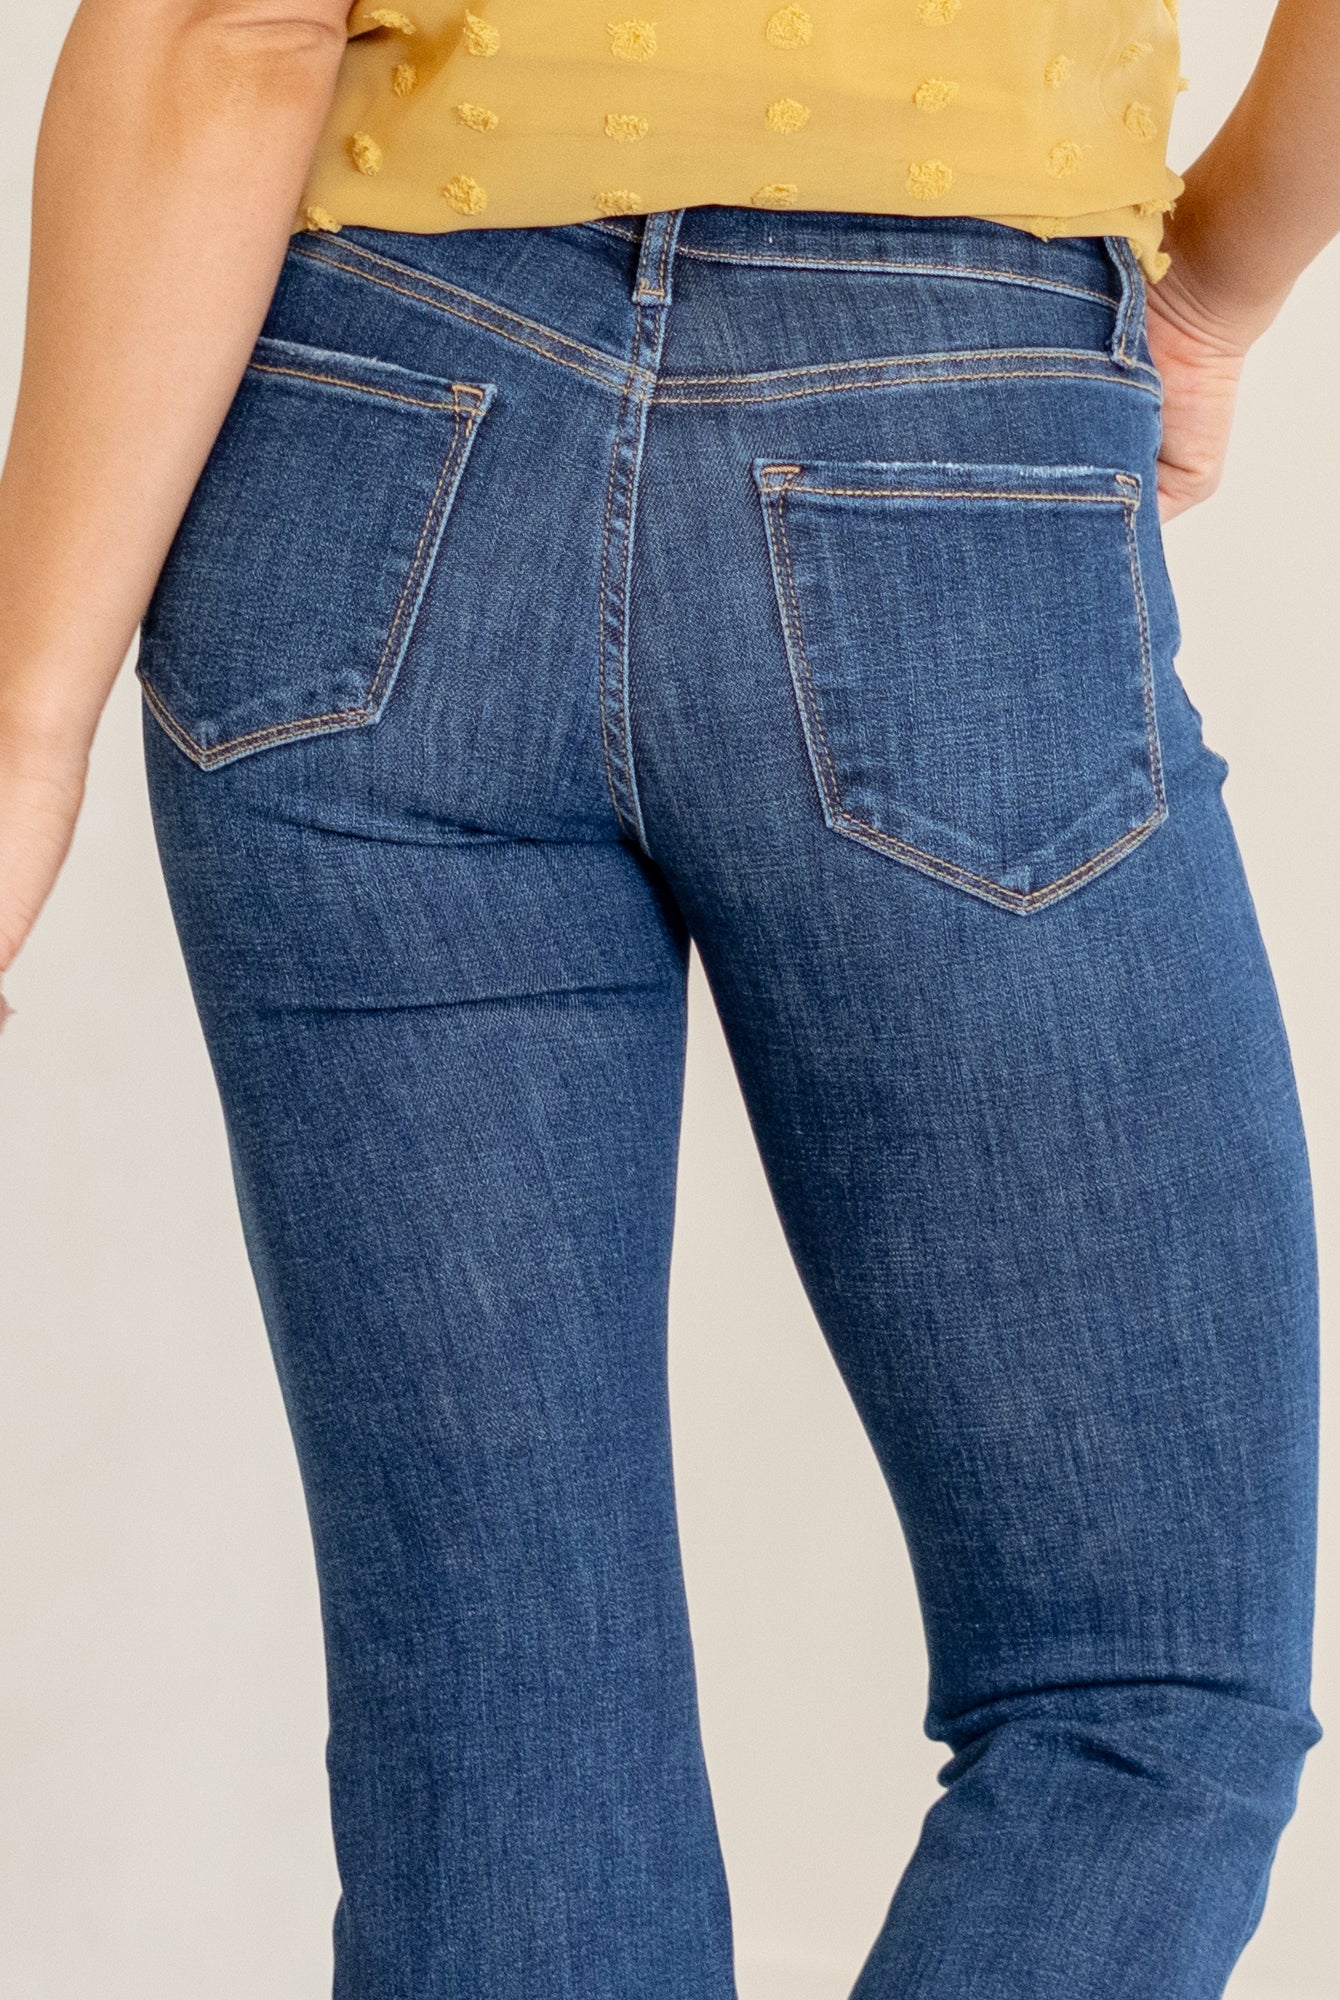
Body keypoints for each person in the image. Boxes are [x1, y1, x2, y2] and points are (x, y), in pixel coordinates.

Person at [0, 4, 1331, 1995]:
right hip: (940, 424)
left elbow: (226, 24)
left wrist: (28, 724)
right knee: (1139, 1699)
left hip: (370, 437)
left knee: (501, 1750)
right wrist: (1216, 275)